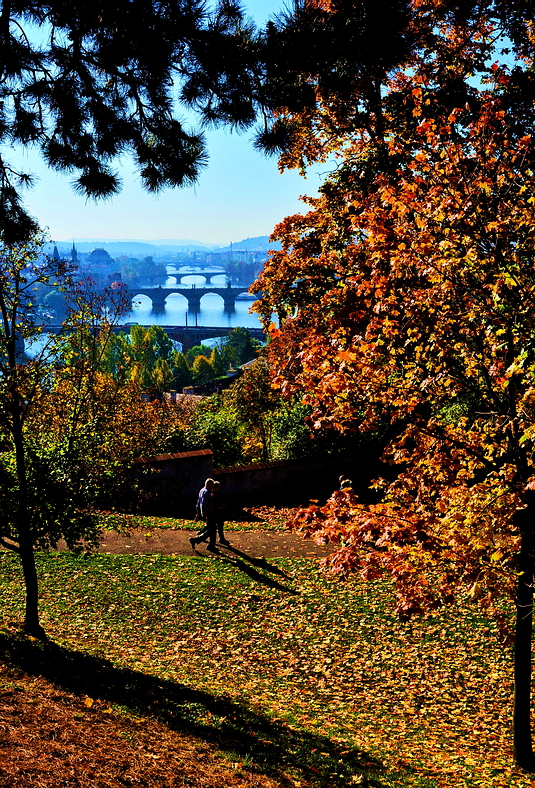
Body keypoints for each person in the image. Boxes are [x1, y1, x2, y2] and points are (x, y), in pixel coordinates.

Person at [190, 478, 217, 551]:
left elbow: (198, 502)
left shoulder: (202, 490)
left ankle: (208, 544)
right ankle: (198, 540)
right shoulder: (207, 493)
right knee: (212, 530)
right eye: (212, 485)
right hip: (209, 513)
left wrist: (198, 513)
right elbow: (206, 505)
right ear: (209, 485)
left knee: (211, 529)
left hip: (204, 512)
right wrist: (208, 516)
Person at [211, 480, 230, 546]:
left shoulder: (217, 494)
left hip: (219, 513)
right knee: (216, 527)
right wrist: (221, 507)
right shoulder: (212, 495)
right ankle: (221, 539)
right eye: (217, 487)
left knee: (218, 526)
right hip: (216, 513)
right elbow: (213, 506)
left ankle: (221, 538)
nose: (218, 488)